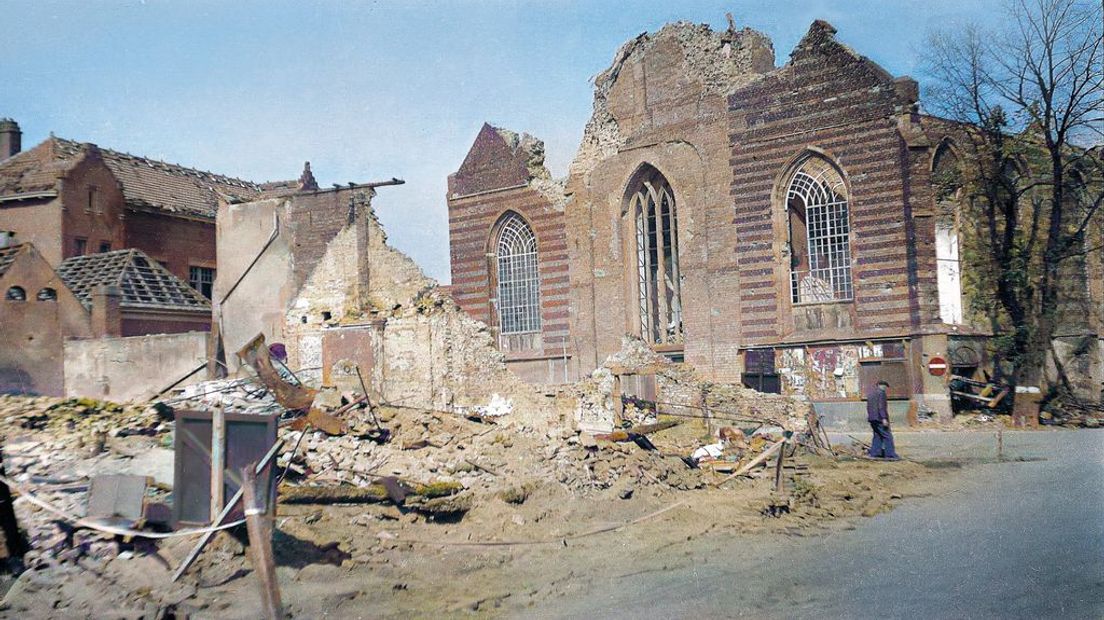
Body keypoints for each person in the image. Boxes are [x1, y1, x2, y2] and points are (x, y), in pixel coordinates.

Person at [866, 379, 899, 460]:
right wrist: (884, 418)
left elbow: (868, 407)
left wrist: (871, 417)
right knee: (888, 436)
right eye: (884, 386)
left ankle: (875, 453)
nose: (884, 388)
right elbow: (881, 407)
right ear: (881, 386)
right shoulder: (881, 393)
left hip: (872, 419)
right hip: (879, 418)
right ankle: (890, 455)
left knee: (877, 436)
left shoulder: (871, 394)